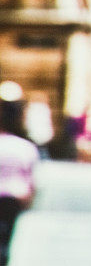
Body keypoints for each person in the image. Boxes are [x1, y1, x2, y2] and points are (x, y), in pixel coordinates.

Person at [0, 91, 39, 266]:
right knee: (8, 235)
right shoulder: (26, 147)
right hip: (15, 197)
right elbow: (30, 178)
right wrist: (30, 200)